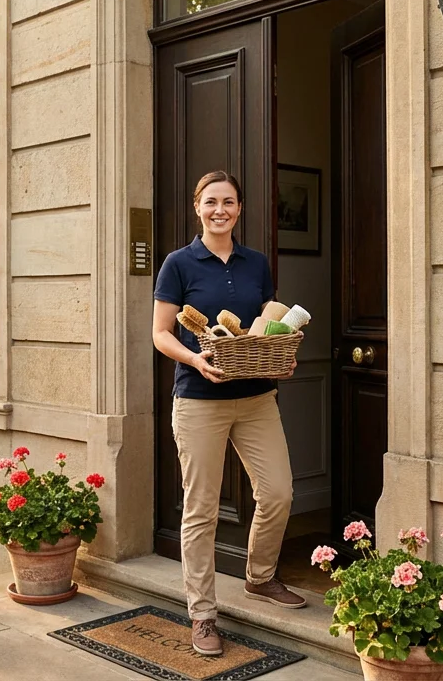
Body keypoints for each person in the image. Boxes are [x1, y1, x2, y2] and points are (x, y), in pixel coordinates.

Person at [151, 170, 305, 657]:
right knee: (201, 509)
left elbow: (266, 323)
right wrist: (196, 358)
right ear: (197, 207)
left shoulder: (257, 263)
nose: (221, 210)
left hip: (257, 396)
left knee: (278, 491)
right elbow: (161, 333)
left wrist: (282, 351)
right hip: (199, 400)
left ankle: (259, 577)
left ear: (240, 208)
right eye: (212, 202)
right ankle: (202, 614)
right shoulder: (178, 264)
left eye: (230, 202)